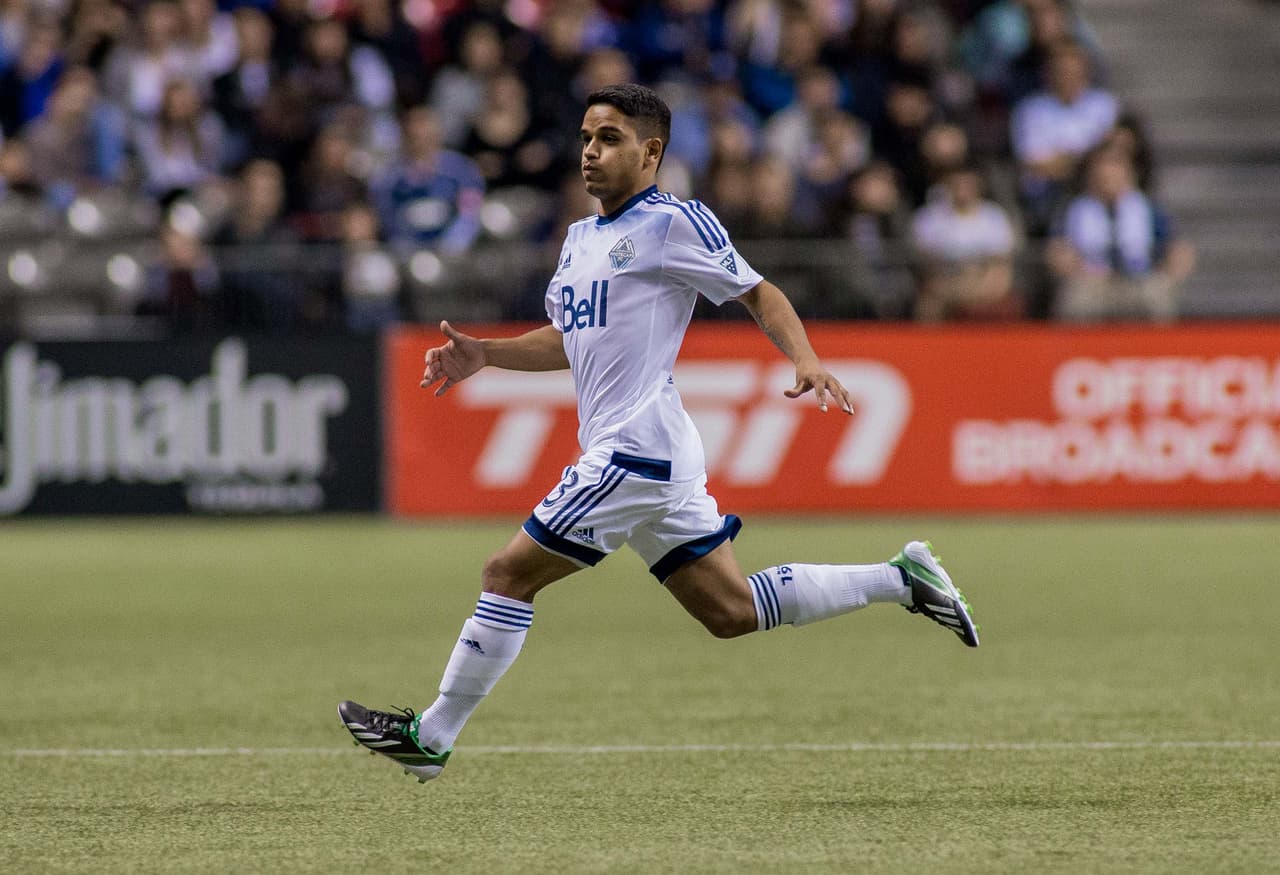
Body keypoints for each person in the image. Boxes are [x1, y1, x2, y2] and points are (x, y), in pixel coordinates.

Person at [339, 84, 980, 783]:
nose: (590, 151)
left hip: (636, 450)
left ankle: (432, 736)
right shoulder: (580, 238)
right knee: (731, 611)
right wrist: (487, 354)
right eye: (586, 137)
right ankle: (902, 578)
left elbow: (757, 291)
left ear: (651, 153)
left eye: (609, 138)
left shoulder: (675, 223)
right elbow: (569, 338)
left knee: (506, 573)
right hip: (650, 452)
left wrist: (805, 356)